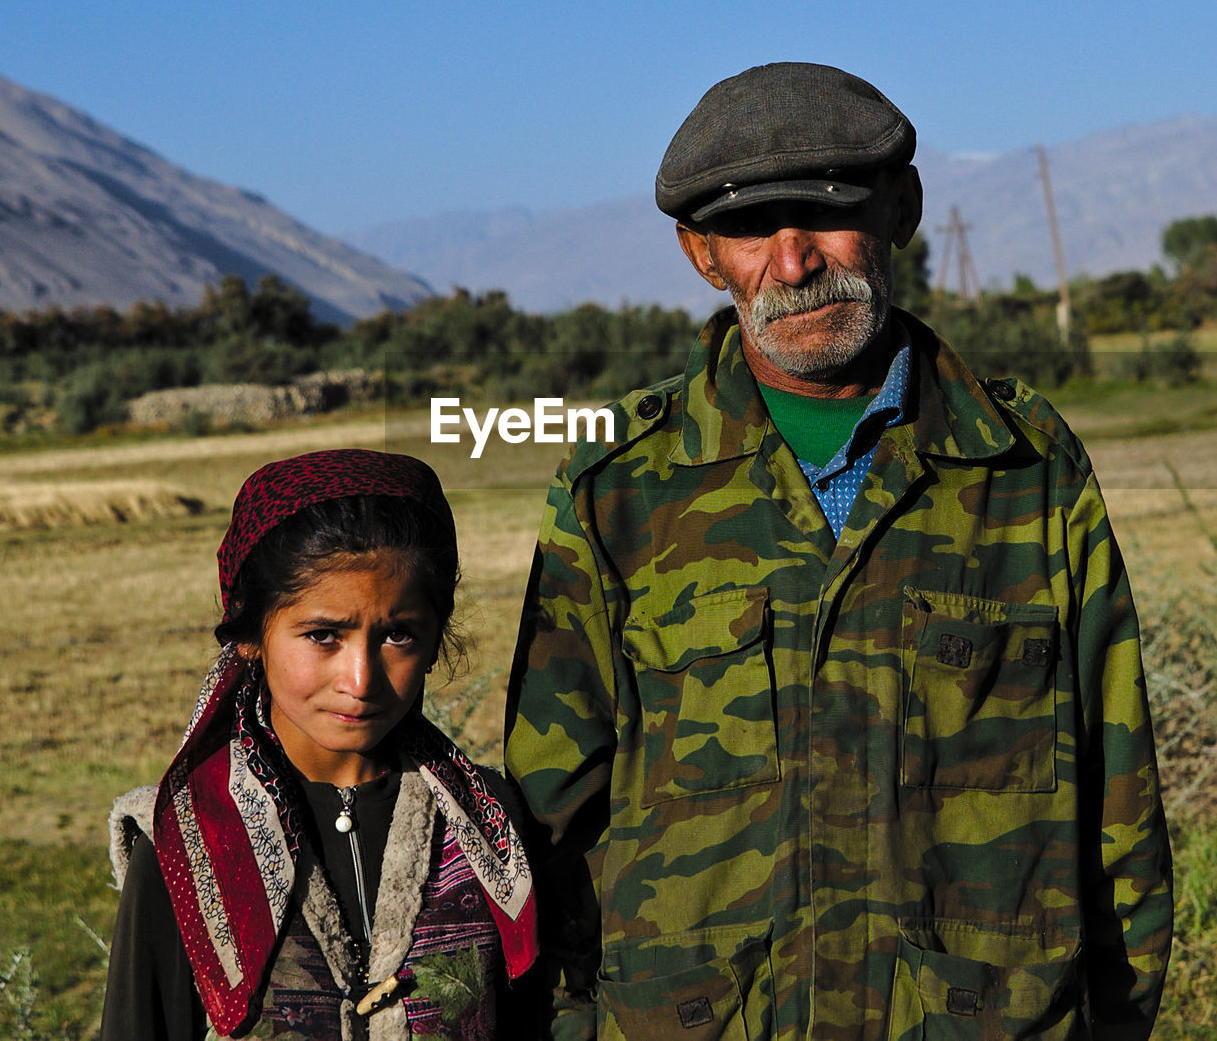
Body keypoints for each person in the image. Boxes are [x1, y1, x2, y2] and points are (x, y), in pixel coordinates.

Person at [504, 63, 1172, 1040]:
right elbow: (547, 822)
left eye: (823, 211)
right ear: (699, 255)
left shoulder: (1024, 466)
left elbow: (1119, 802)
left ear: (897, 206)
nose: (791, 261)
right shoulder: (620, 489)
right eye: (747, 229)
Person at [102, 448, 537, 1040]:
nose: (360, 681)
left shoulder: (490, 827)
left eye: (398, 636)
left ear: (437, 639)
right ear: (252, 634)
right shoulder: (186, 843)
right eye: (324, 635)